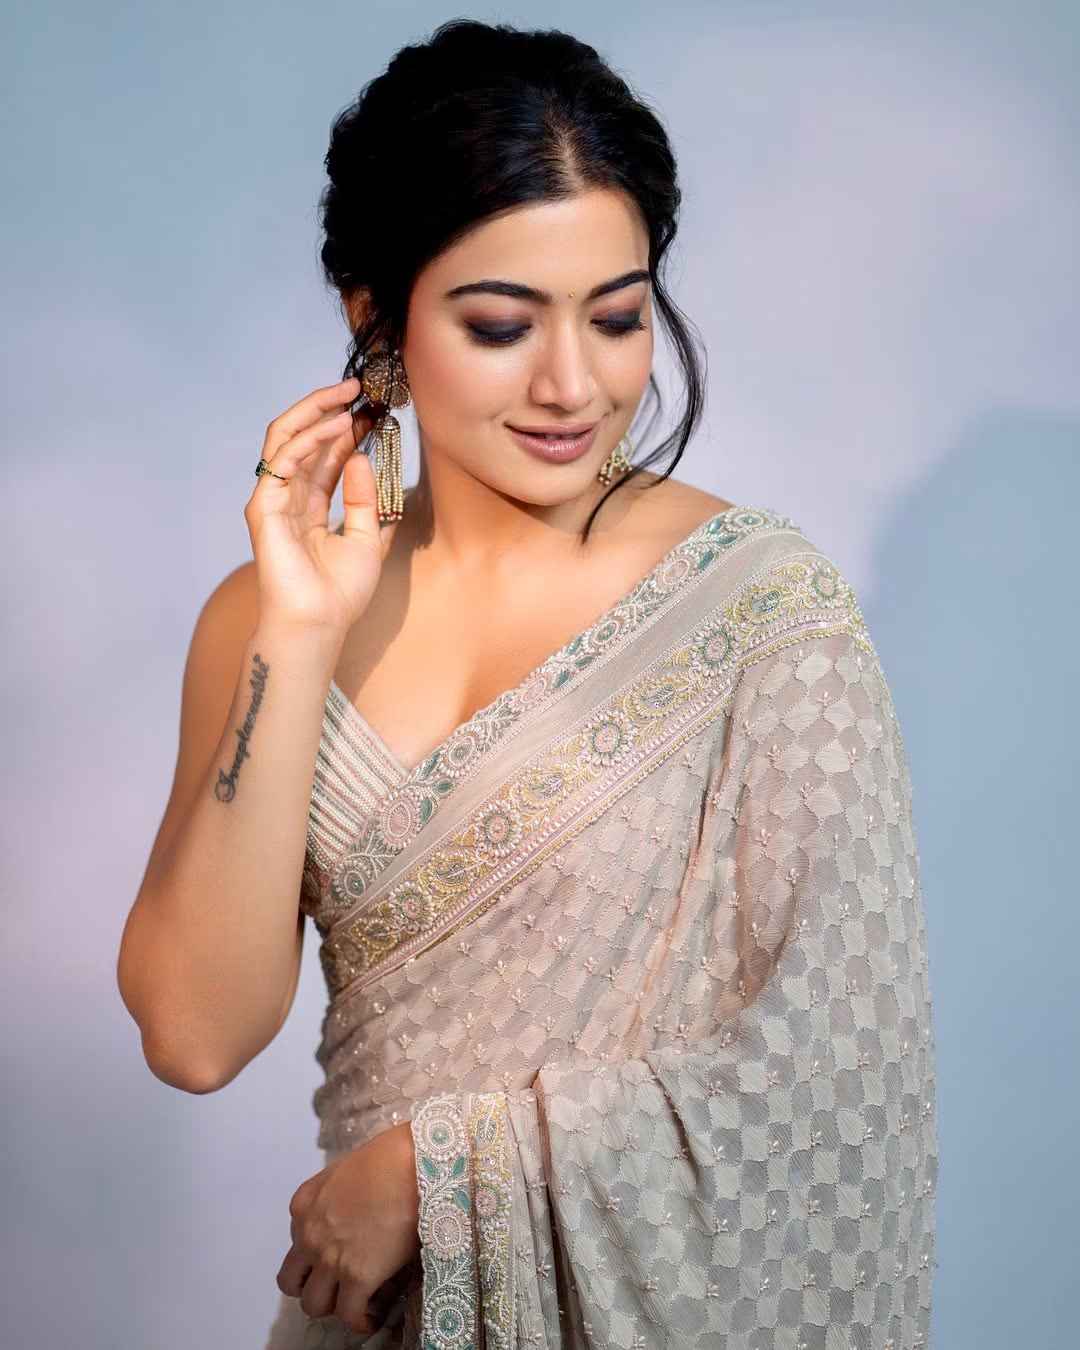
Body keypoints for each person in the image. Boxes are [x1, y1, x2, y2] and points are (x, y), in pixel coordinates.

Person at [117, 18, 937, 1349]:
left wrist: (442, 1177)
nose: (574, 384)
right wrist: (299, 631)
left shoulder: (763, 615)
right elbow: (194, 1034)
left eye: (617, 317)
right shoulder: (269, 618)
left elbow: (840, 1086)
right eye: (501, 325)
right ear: (376, 318)